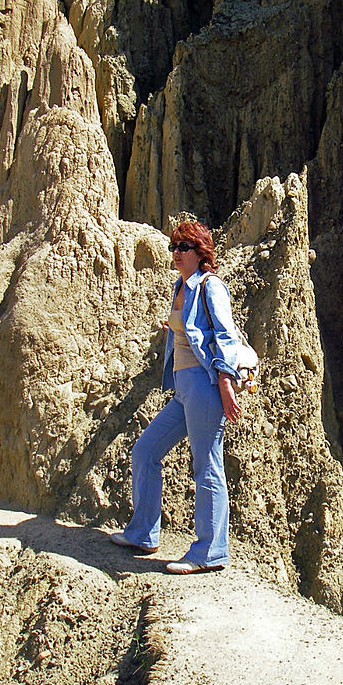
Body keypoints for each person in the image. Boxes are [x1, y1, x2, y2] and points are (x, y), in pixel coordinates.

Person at [111, 221, 242, 574]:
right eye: (174, 246)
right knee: (146, 451)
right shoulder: (179, 286)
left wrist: (226, 382)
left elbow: (226, 335)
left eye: (184, 247)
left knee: (207, 466)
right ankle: (143, 534)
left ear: (202, 251)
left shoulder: (210, 285)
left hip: (204, 385)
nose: (176, 253)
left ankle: (209, 552)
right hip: (184, 390)